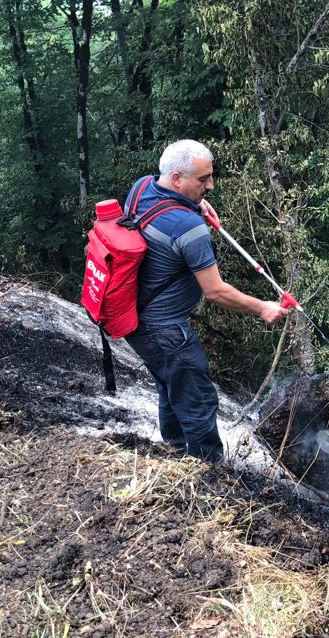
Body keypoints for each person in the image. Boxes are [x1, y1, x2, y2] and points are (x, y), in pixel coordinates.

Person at [123, 139, 287, 463]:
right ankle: (210, 477)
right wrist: (263, 307)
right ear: (177, 180)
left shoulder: (141, 188)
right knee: (197, 401)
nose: (210, 185)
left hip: (136, 322)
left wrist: (194, 204)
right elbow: (216, 291)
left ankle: (177, 458)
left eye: (210, 177)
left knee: (172, 392)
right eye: (202, 180)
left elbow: (162, 213)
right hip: (166, 332)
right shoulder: (189, 227)